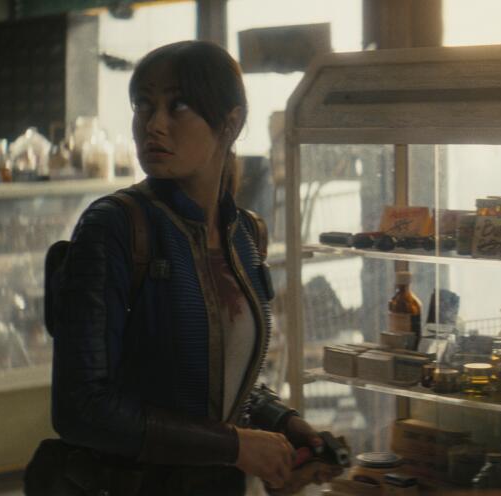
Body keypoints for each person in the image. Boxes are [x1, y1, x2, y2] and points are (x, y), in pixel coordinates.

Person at [26, 40, 341, 495]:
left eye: (178, 106)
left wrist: (282, 424)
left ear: (230, 123)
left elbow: (217, 379)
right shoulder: (114, 227)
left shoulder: (246, 235)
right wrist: (235, 446)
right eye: (143, 106)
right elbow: (82, 408)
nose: (154, 125)